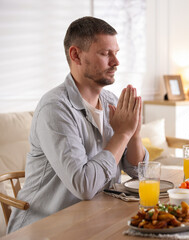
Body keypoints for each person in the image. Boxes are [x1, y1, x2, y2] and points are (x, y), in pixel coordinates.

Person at [7, 16, 148, 233]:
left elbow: (139, 173)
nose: (116, 62)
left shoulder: (111, 101)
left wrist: (134, 135)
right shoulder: (54, 109)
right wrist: (123, 134)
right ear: (76, 55)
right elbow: (85, 186)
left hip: (96, 219)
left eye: (116, 53)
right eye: (105, 53)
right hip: (45, 227)